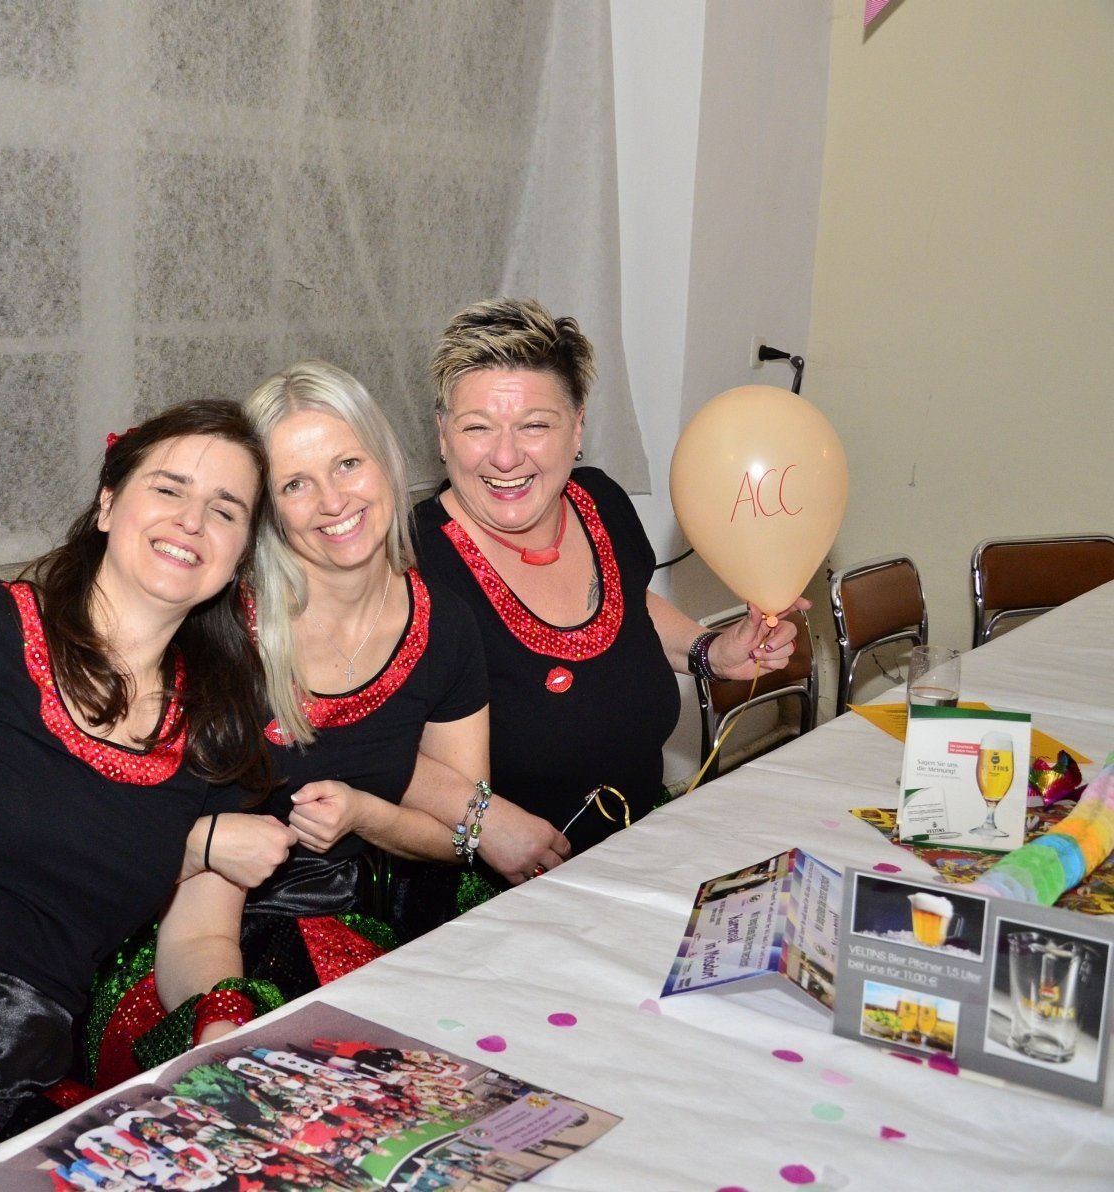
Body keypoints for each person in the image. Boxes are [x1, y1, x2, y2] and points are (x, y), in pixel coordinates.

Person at [87, 362, 566, 1088]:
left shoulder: (442, 624)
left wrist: (366, 812)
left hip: (400, 900)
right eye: (295, 484)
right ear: (266, 510)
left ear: (385, 460)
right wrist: (223, 1016)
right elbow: (203, 899)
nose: (333, 501)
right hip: (227, 931)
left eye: (347, 464)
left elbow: (457, 830)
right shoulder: (225, 637)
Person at [0, 399, 277, 1155]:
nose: (191, 521)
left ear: (240, 555)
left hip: (21, 1071)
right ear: (108, 504)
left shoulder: (220, 725)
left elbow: (200, 934)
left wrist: (220, 1027)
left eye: (224, 510)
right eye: (168, 489)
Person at [409, 296, 804, 919]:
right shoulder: (411, 561)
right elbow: (360, 740)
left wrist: (710, 651)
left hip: (639, 859)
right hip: (495, 905)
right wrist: (483, 821)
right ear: (441, 434)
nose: (505, 457)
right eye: (477, 427)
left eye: (535, 426)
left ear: (578, 428)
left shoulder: (600, 502)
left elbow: (627, 609)